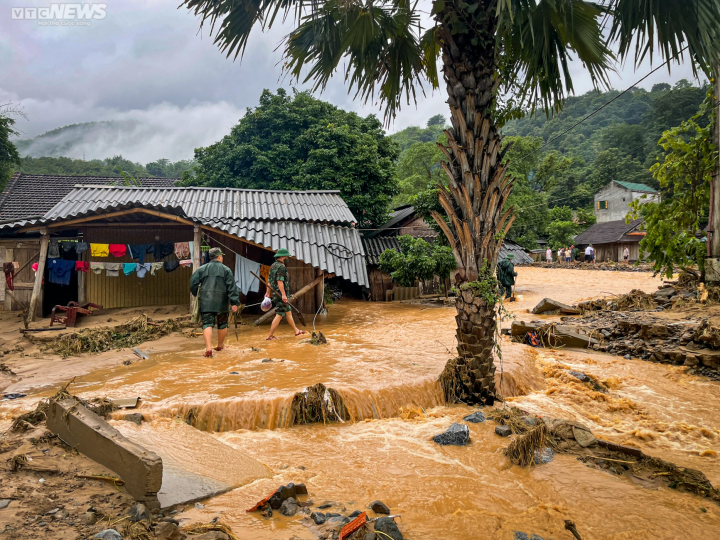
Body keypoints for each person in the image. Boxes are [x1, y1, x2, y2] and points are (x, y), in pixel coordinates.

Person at [190, 247, 240, 357]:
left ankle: (208, 349)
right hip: (222, 302)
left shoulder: (202, 269)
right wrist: (234, 302)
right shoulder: (226, 270)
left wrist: (198, 294)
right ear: (219, 257)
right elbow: (232, 287)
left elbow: (193, 283)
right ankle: (220, 345)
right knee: (222, 324)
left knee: (207, 324)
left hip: (206, 302)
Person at [265, 248, 307, 340]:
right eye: (287, 256)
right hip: (281, 295)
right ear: (283, 257)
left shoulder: (273, 266)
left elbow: (270, 281)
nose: (288, 258)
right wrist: (284, 295)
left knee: (288, 312)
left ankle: (296, 331)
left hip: (277, 294)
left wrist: (268, 293)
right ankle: (269, 336)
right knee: (279, 314)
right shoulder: (282, 267)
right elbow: (280, 281)